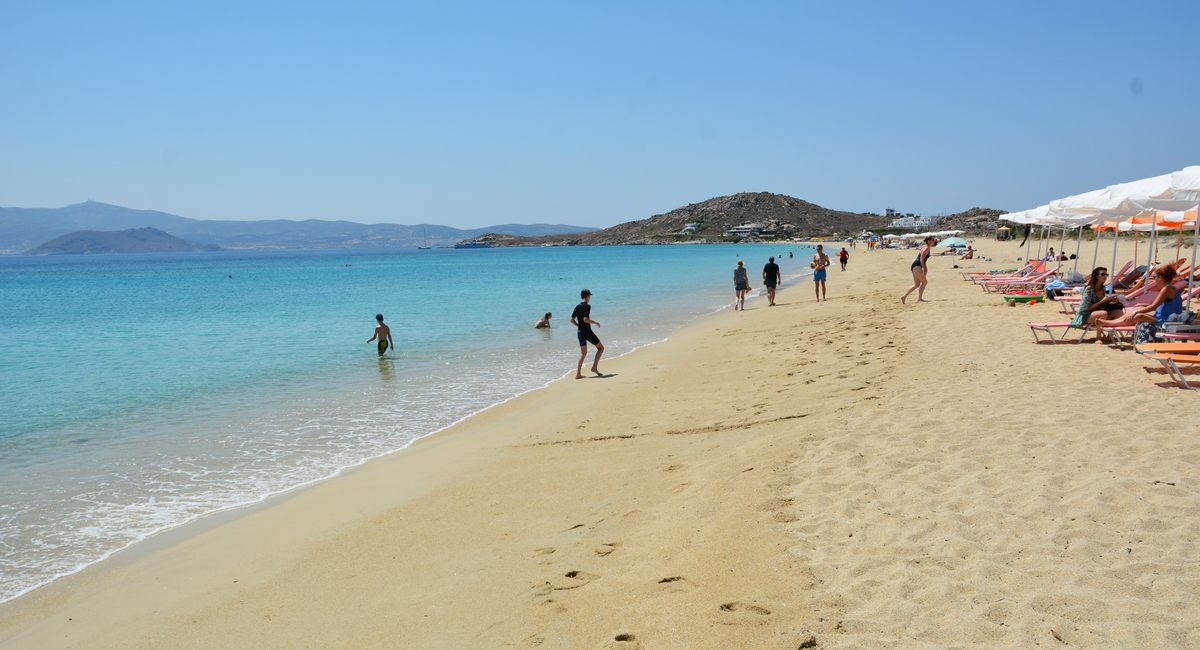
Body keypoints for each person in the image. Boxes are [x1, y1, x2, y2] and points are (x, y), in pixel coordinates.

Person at [1096, 265, 1182, 335]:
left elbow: (1153, 307)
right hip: (1167, 316)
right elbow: (1160, 305)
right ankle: (1113, 321)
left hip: (1167, 320)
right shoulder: (1171, 288)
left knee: (1139, 316)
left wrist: (1135, 312)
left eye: (1155, 277)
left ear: (1160, 278)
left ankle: (1109, 323)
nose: (1154, 279)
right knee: (1139, 307)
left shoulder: (1166, 289)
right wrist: (1142, 306)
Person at [1070, 267, 1124, 335]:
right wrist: (1101, 302)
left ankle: (1110, 336)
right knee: (1103, 313)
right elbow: (1085, 308)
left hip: (1099, 314)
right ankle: (1098, 337)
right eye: (1102, 274)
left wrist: (1110, 300)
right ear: (1096, 276)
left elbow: (1103, 303)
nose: (1105, 276)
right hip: (1086, 315)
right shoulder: (1089, 289)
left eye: (1106, 274)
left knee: (1119, 312)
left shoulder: (1103, 287)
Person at [570, 289, 604, 379]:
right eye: (590, 297)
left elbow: (571, 320)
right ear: (588, 296)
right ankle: (594, 367)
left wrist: (578, 325)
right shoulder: (587, 306)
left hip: (580, 332)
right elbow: (585, 319)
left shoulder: (577, 307)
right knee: (601, 348)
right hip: (587, 332)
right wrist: (595, 322)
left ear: (581, 296)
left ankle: (578, 374)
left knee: (583, 353)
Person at [900, 235, 936, 304]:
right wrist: (925, 269)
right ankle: (919, 299)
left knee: (916, 284)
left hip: (915, 265)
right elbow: (922, 259)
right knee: (924, 282)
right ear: (928, 241)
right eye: (932, 240)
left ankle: (904, 296)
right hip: (917, 266)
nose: (933, 241)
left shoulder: (926, 247)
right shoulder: (926, 248)